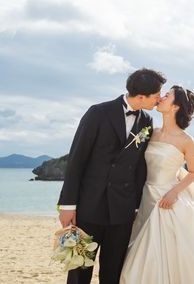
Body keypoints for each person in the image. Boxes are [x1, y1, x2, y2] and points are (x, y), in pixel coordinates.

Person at [57, 68, 167, 284]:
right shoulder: (98, 113)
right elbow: (77, 159)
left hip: (122, 211)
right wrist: (68, 204)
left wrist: (136, 207)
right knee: (79, 270)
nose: (159, 99)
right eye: (156, 95)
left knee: (113, 272)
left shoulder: (146, 121)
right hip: (88, 207)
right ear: (142, 96)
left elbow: (139, 167)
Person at [120, 85, 194, 284]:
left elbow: (193, 172)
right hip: (147, 197)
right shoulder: (151, 133)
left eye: (167, 95)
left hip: (168, 200)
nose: (161, 97)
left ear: (175, 107)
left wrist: (174, 193)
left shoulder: (186, 140)